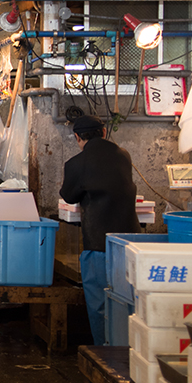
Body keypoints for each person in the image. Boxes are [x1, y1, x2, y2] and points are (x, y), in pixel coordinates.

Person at [59, 115, 140, 346]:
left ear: (77, 137)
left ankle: (106, 356)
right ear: (103, 132)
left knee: (99, 305)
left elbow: (68, 195)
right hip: (130, 244)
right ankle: (130, 352)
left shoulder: (76, 163)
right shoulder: (124, 156)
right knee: (128, 302)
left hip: (98, 245)